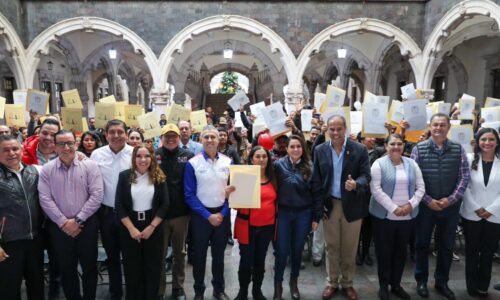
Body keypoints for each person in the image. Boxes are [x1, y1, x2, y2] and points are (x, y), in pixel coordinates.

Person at [38, 130, 104, 300]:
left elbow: (96, 195)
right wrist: (63, 222)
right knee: (67, 269)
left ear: (76, 144)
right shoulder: (47, 170)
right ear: (54, 146)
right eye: (61, 144)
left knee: (89, 267)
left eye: (69, 143)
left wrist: (78, 219)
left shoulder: (90, 166)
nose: (66, 148)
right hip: (60, 228)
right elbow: (45, 199)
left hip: (87, 225)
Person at [410, 113, 470, 300]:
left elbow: (464, 177)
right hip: (426, 206)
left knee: (446, 246)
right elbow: (413, 180)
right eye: (435, 125)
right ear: (430, 126)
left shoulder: (458, 149)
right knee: (421, 245)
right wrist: (428, 200)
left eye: (442, 125)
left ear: (448, 127)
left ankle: (441, 282)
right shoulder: (418, 149)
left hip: (450, 208)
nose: (438, 128)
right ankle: (421, 281)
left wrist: (450, 200)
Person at [311, 115, 371, 300]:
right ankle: (332, 283)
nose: (335, 133)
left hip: (352, 205)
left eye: (339, 129)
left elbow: (366, 176)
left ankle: (348, 283)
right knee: (331, 247)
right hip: (330, 205)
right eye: (332, 129)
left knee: (350, 248)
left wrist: (356, 184)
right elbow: (317, 181)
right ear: (327, 130)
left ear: (345, 129)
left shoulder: (359, 149)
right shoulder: (320, 150)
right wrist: (319, 209)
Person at [369, 134, 425, 300]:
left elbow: (421, 188)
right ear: (386, 146)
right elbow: (376, 190)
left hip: (407, 217)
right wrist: (394, 208)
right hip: (384, 217)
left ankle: (396, 284)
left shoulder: (412, 163)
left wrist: (409, 205)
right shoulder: (378, 164)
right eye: (392, 144)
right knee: (384, 253)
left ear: (404, 146)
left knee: (401, 253)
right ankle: (383, 286)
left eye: (399, 144)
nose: (396, 147)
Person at [184, 125, 232, 300]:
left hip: (222, 215)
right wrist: (207, 216)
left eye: (213, 137)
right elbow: (189, 195)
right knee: (199, 256)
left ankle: (218, 289)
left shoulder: (228, 162)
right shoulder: (193, 163)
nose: (210, 140)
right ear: (201, 140)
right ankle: (199, 290)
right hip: (200, 217)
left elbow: (233, 193)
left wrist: (222, 213)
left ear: (219, 140)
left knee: (219, 256)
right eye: (206, 137)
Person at [115, 144, 169, 300]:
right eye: (139, 156)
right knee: (132, 268)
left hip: (153, 226)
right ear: (133, 158)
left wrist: (151, 227)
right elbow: (119, 205)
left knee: (153, 267)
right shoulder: (124, 176)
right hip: (129, 226)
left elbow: (165, 205)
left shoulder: (159, 176)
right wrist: (131, 229)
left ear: (152, 157)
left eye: (146, 156)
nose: (143, 160)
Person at [273, 135, 322, 300]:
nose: (295, 150)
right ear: (286, 149)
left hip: (303, 214)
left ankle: (293, 283)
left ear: (303, 149)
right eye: (292, 147)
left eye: (298, 147)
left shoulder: (311, 166)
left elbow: (317, 194)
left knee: (297, 250)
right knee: (281, 251)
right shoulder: (278, 165)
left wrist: (316, 217)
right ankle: (277, 285)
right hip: (284, 214)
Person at [90, 119, 133, 300]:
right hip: (106, 213)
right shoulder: (97, 155)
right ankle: (115, 291)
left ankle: (133, 290)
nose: (116, 136)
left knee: (131, 256)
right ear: (106, 134)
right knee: (112, 256)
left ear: (126, 134)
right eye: (112, 132)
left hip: (131, 215)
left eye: (119, 132)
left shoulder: (136, 154)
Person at [0, 135, 44, 299]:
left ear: (22, 149)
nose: (11, 153)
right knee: (9, 289)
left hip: (35, 240)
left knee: (37, 286)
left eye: (15, 149)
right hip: (8, 243)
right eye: (5, 150)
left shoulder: (34, 171)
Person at [232, 146, 277, 300]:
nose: (261, 159)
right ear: (251, 159)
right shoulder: (244, 177)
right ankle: (243, 291)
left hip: (266, 227)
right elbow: (237, 205)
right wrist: (230, 194)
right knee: (245, 261)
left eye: (264, 156)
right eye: (257, 156)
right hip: (247, 227)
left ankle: (257, 291)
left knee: (260, 261)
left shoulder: (273, 177)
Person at [156, 124, 194, 300]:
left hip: (181, 214)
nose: (170, 139)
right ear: (161, 137)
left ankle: (178, 288)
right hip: (158, 215)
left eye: (174, 136)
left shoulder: (188, 156)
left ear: (179, 137)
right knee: (159, 254)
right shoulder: (153, 156)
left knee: (179, 253)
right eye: (167, 136)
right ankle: (159, 289)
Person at [460, 128, 500, 297]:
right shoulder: (469, 159)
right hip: (471, 213)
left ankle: (483, 285)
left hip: (495, 215)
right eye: (484, 139)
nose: (487, 143)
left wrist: (491, 209)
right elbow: (464, 186)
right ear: (477, 141)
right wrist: (476, 207)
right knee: (472, 251)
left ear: (497, 142)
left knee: (488, 252)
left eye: (491, 139)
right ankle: (471, 285)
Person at [356, 133, 385, 267]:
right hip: (357, 195)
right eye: (369, 137)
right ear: (361, 139)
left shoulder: (378, 152)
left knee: (368, 227)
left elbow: (389, 148)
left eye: (374, 137)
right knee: (356, 228)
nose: (373, 139)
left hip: (372, 195)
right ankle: (355, 253)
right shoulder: (355, 152)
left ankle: (365, 253)